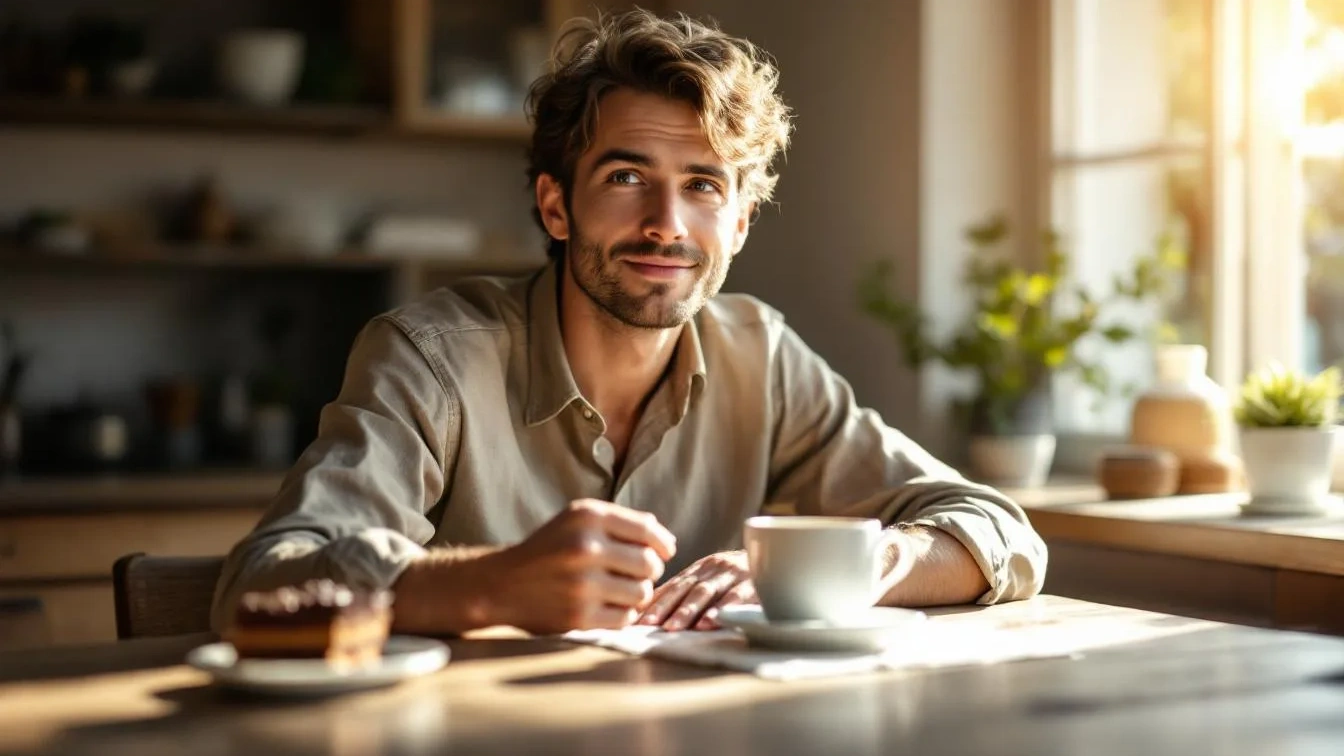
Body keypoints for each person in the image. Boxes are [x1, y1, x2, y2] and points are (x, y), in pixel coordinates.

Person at [211, 9, 1047, 636]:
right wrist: (492, 585)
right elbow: (259, 579)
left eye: (705, 186)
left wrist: (847, 568)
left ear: (743, 221)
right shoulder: (429, 356)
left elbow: (999, 531)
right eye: (624, 176)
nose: (667, 225)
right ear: (556, 204)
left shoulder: (762, 353)